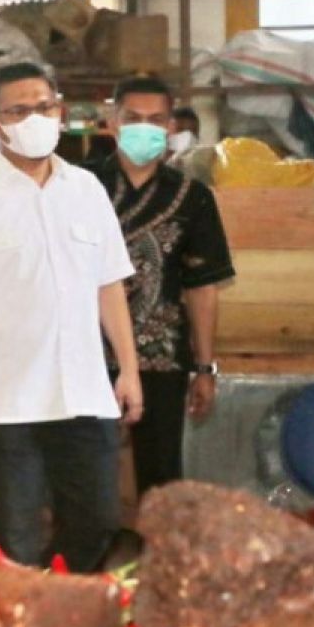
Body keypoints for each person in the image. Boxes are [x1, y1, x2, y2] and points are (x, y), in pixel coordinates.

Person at [0, 62, 142, 572]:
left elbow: (109, 285)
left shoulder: (86, 189)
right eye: (19, 110)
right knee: (13, 540)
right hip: (3, 403)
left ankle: (67, 621)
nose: (35, 118)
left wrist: (127, 369)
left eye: (43, 107)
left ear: (60, 112)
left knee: (96, 524)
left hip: (83, 395)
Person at [92, 76, 235, 493]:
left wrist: (204, 368)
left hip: (164, 359)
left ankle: (157, 554)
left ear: (171, 127)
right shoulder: (79, 186)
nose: (144, 127)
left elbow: (202, 288)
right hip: (84, 355)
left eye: (155, 119)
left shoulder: (193, 197)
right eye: (132, 118)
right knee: (86, 473)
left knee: (161, 474)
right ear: (112, 122)